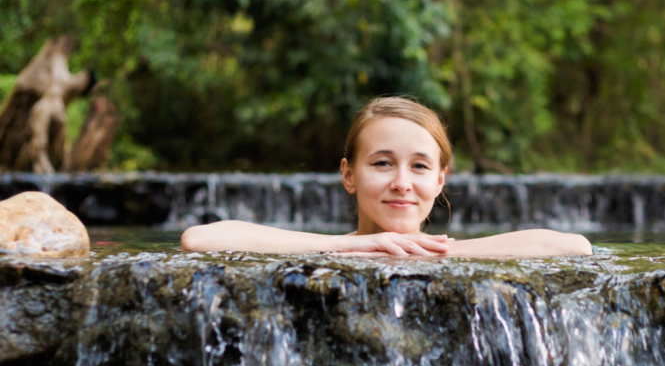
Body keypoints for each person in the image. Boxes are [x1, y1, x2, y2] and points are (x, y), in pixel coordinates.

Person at [180, 97, 592, 257]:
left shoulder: (446, 255)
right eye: (381, 163)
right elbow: (199, 240)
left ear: (441, 180)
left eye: (419, 166)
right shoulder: (324, 250)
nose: (401, 182)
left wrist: (432, 253)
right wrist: (361, 246)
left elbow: (576, 246)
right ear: (348, 175)